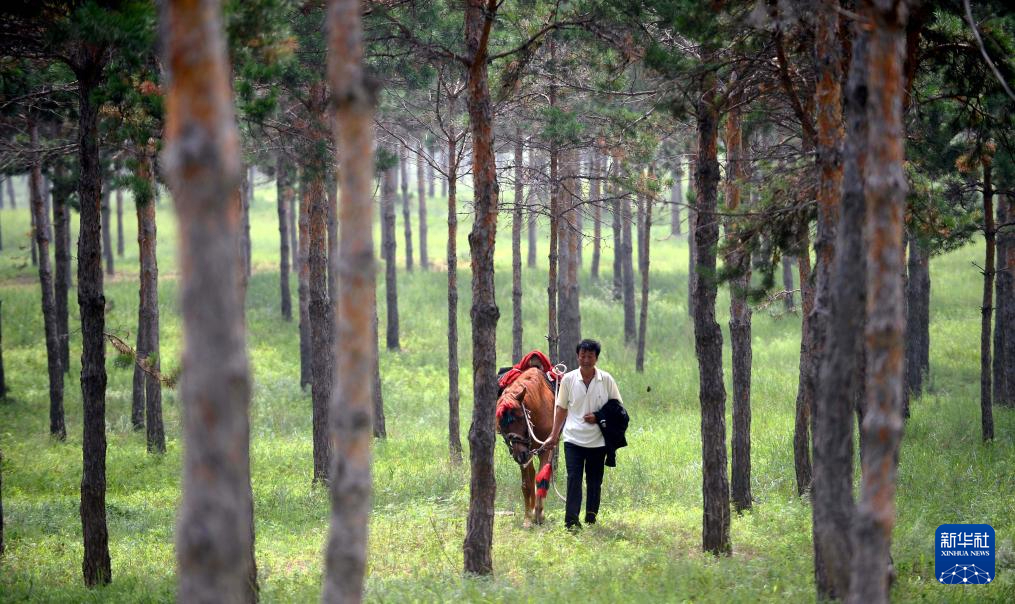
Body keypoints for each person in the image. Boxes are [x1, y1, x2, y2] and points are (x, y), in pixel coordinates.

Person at [545, 338, 623, 530]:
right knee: (574, 479)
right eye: (583, 356)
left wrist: (599, 416)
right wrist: (554, 435)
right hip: (573, 440)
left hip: (598, 442)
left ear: (596, 358)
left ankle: (591, 518)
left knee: (595, 482)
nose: (586, 360)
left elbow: (618, 408)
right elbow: (561, 409)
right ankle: (571, 522)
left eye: (590, 356)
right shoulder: (568, 380)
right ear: (577, 356)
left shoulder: (606, 380)